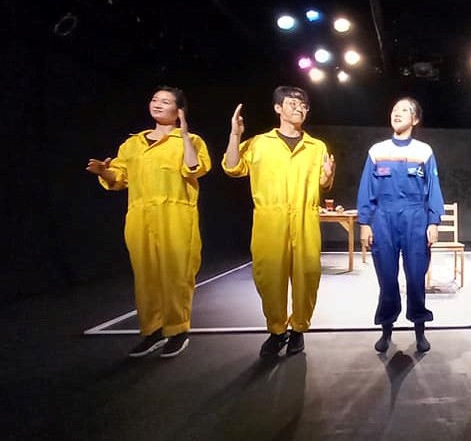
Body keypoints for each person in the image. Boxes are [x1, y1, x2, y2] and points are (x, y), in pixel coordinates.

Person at [86, 86, 211, 358]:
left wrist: (184, 134)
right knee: (146, 276)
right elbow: (119, 178)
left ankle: (177, 330)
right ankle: (153, 331)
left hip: (176, 214)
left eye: (165, 101)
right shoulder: (132, 144)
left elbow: (194, 168)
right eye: (155, 99)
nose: (157, 104)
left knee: (177, 274)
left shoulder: (191, 140)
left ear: (178, 111)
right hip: (140, 215)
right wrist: (104, 172)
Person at [223, 86, 335, 358]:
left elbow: (324, 183)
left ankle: (298, 329)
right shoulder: (259, 143)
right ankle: (276, 330)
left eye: (303, 105)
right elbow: (232, 167)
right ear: (278, 108)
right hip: (270, 219)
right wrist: (235, 135)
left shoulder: (317, 146)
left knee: (307, 276)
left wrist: (329, 175)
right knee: (269, 277)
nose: (299, 108)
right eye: (292, 103)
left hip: (305, 218)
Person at [357, 97, 445, 353]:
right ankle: (386, 330)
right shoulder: (377, 151)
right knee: (387, 278)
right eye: (394, 109)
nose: (397, 113)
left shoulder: (424, 151)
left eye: (404, 110)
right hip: (383, 218)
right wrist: (365, 222)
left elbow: (433, 189)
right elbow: (366, 188)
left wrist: (433, 221)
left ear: (415, 119)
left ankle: (420, 330)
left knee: (416, 278)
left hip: (415, 218)